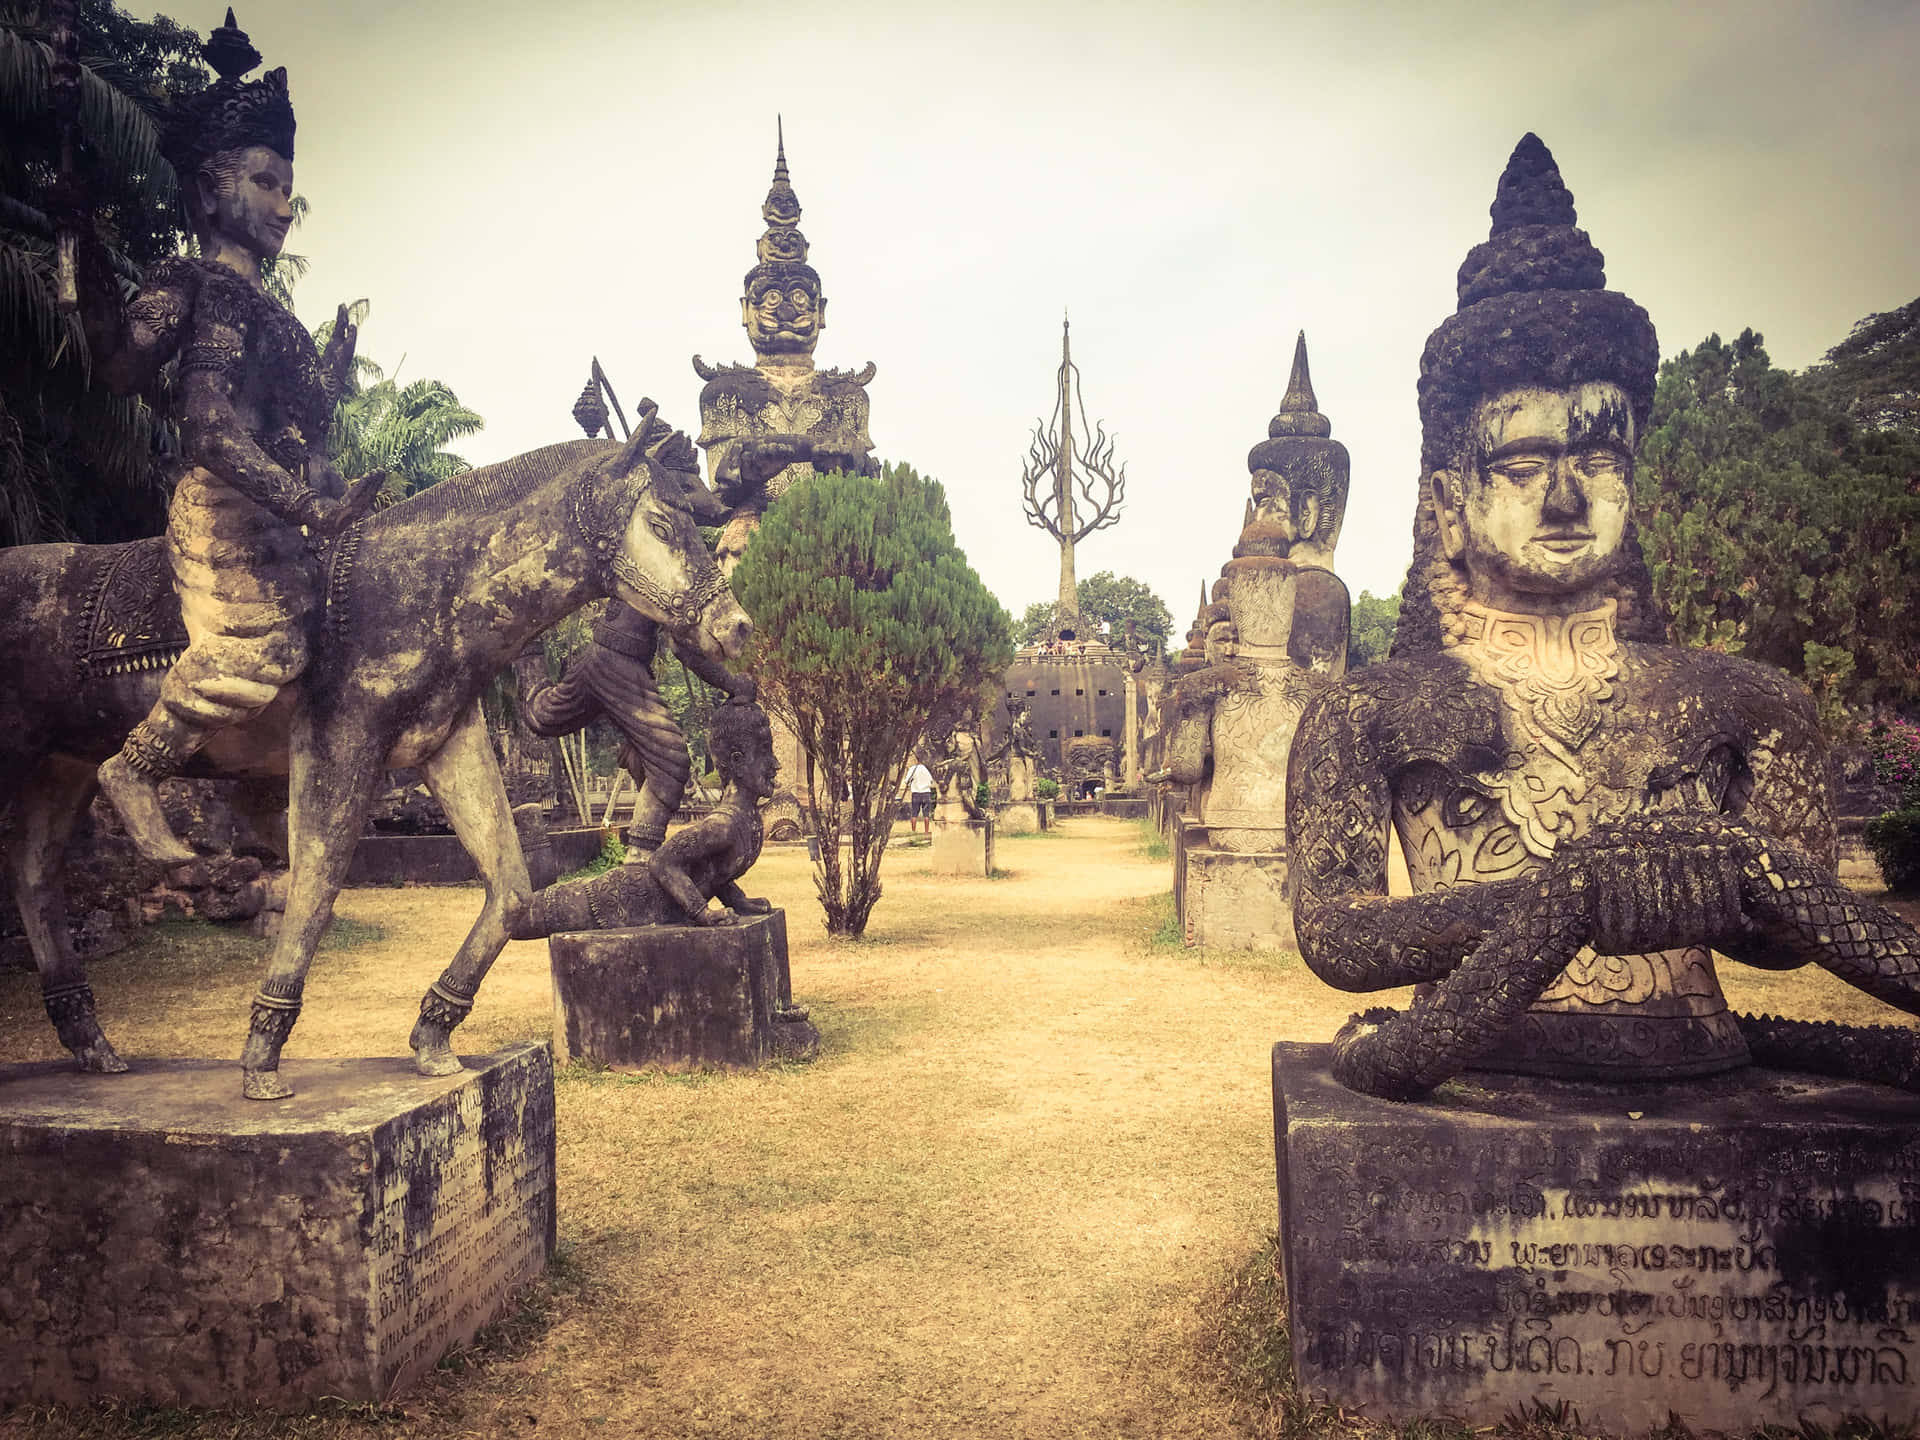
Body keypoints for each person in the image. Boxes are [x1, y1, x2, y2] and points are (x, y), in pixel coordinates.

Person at [1285, 134, 1920, 1101]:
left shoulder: (1750, 706)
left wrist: (1725, 876)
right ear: (1451, 499)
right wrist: (1572, 895)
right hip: (1468, 1063)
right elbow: (1339, 935)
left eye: (1599, 459)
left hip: (1708, 1069)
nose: (1566, 498)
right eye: (1524, 464)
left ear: (1635, 483)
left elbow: (1791, 950)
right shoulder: (1371, 712)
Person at [77, 12, 378, 864]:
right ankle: (136, 770)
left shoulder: (271, 311)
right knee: (272, 644)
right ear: (212, 191)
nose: (283, 206)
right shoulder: (198, 282)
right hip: (228, 507)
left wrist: (333, 364)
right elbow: (185, 410)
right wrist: (83, 244)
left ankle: (265, 803)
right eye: (265, 183)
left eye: (288, 189)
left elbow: (305, 418)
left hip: (289, 512)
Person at [901, 759, 936, 835]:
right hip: (926, 793)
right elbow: (931, 780)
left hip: (916, 793)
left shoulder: (912, 769)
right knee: (926, 814)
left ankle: (913, 831)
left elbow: (906, 781)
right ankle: (926, 831)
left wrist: (912, 784)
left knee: (914, 814)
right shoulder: (925, 769)